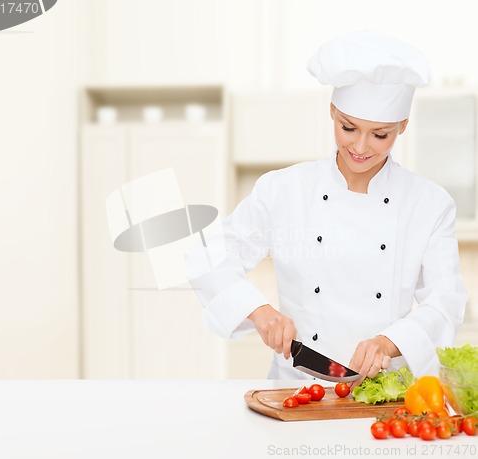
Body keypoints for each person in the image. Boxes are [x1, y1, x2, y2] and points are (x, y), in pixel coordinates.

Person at [186, 30, 467, 382]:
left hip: (381, 392)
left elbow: (446, 302)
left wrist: (390, 342)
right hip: (296, 388)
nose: (361, 147)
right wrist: (258, 311)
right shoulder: (283, 190)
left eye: (380, 135)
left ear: (403, 126)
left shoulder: (429, 204)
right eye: (348, 128)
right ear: (332, 111)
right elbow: (207, 256)